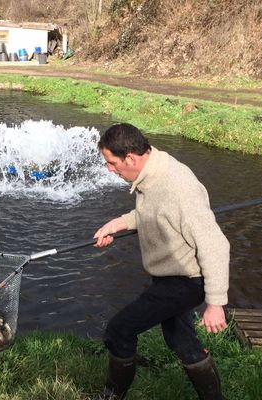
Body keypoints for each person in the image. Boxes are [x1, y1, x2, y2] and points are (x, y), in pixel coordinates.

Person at [93, 123, 229, 399]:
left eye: (112, 163)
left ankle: (112, 396)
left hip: (185, 279)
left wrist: (215, 303)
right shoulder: (152, 172)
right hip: (171, 274)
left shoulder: (178, 188)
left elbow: (215, 245)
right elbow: (153, 212)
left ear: (130, 157)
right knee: (180, 339)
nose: (110, 169)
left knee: (120, 330)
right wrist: (119, 223)